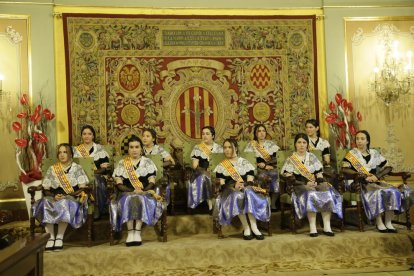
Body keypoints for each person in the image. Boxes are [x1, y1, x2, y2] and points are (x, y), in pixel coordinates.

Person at [342, 130, 412, 233]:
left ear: (367, 141)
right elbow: (344, 169)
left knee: (393, 191)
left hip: (375, 182)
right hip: (360, 183)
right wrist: (361, 175)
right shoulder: (352, 154)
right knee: (377, 193)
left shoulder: (374, 153)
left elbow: (388, 167)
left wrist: (377, 176)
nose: (359, 141)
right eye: (357, 139)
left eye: (362, 139)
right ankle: (379, 222)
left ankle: (388, 222)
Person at [281, 133, 342, 237]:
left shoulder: (312, 157)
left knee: (325, 190)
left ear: (307, 145)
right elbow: (289, 177)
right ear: (295, 144)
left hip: (313, 183)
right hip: (299, 185)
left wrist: (316, 182)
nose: (301, 145)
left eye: (304, 142)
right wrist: (306, 183)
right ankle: (313, 227)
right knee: (311, 192)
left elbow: (319, 173)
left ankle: (327, 226)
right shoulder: (291, 159)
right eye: (299, 142)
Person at [32, 143, 89, 251]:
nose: (62, 155)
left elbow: (82, 188)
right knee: (45, 203)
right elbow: (46, 188)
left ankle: (59, 237)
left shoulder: (77, 168)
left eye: (65, 152)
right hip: (54, 196)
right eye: (60, 152)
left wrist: (66, 195)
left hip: (71, 196)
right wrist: (54, 195)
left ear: (70, 154)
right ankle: (51, 237)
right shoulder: (52, 169)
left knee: (64, 203)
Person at [110, 135, 164, 246]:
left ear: (141, 149)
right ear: (128, 149)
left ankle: (137, 232)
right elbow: (119, 183)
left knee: (139, 198)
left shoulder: (147, 162)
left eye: (137, 147)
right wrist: (131, 191)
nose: (134, 150)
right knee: (130, 198)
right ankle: (130, 232)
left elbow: (152, 182)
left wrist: (142, 190)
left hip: (144, 193)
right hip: (126, 193)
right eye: (131, 147)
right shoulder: (122, 163)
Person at [214, 139, 270, 240]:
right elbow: (222, 185)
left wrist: (244, 185)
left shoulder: (244, 162)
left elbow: (250, 180)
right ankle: (246, 227)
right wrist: (233, 186)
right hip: (229, 190)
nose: (227, 150)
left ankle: (254, 227)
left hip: (245, 187)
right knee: (237, 195)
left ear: (235, 148)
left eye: (229, 147)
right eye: (225, 147)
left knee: (248, 192)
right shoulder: (222, 166)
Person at [73, 125, 110, 219]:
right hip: (80, 178)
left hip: (97, 175)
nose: (87, 136)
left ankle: (96, 208)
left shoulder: (99, 148)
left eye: (89, 134)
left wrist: (92, 173)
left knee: (96, 180)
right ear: (81, 136)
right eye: (84, 134)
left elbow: (104, 169)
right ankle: (81, 210)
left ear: (93, 136)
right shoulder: (76, 150)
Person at [244, 124, 280, 210]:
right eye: (259, 131)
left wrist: (269, 165)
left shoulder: (271, 144)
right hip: (257, 169)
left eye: (263, 131)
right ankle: (263, 201)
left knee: (275, 175)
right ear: (256, 133)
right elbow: (247, 161)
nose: (261, 133)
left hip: (270, 168)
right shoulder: (251, 145)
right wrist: (259, 165)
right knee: (263, 177)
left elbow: (277, 158)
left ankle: (273, 203)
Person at [188, 126, 223, 211]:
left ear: (213, 136)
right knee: (205, 176)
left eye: (207, 134)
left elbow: (223, 164)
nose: (204, 136)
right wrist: (205, 170)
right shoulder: (198, 147)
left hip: (216, 171)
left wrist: (213, 169)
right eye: (203, 134)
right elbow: (195, 166)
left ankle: (218, 202)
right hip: (201, 171)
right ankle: (210, 202)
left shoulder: (219, 148)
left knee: (217, 178)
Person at [141, 128, 175, 205]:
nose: (144, 138)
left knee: (159, 186)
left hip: (157, 176)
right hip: (143, 177)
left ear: (153, 139)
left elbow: (172, 162)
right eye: (143, 136)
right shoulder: (139, 149)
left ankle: (160, 207)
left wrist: (158, 165)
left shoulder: (159, 149)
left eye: (147, 136)